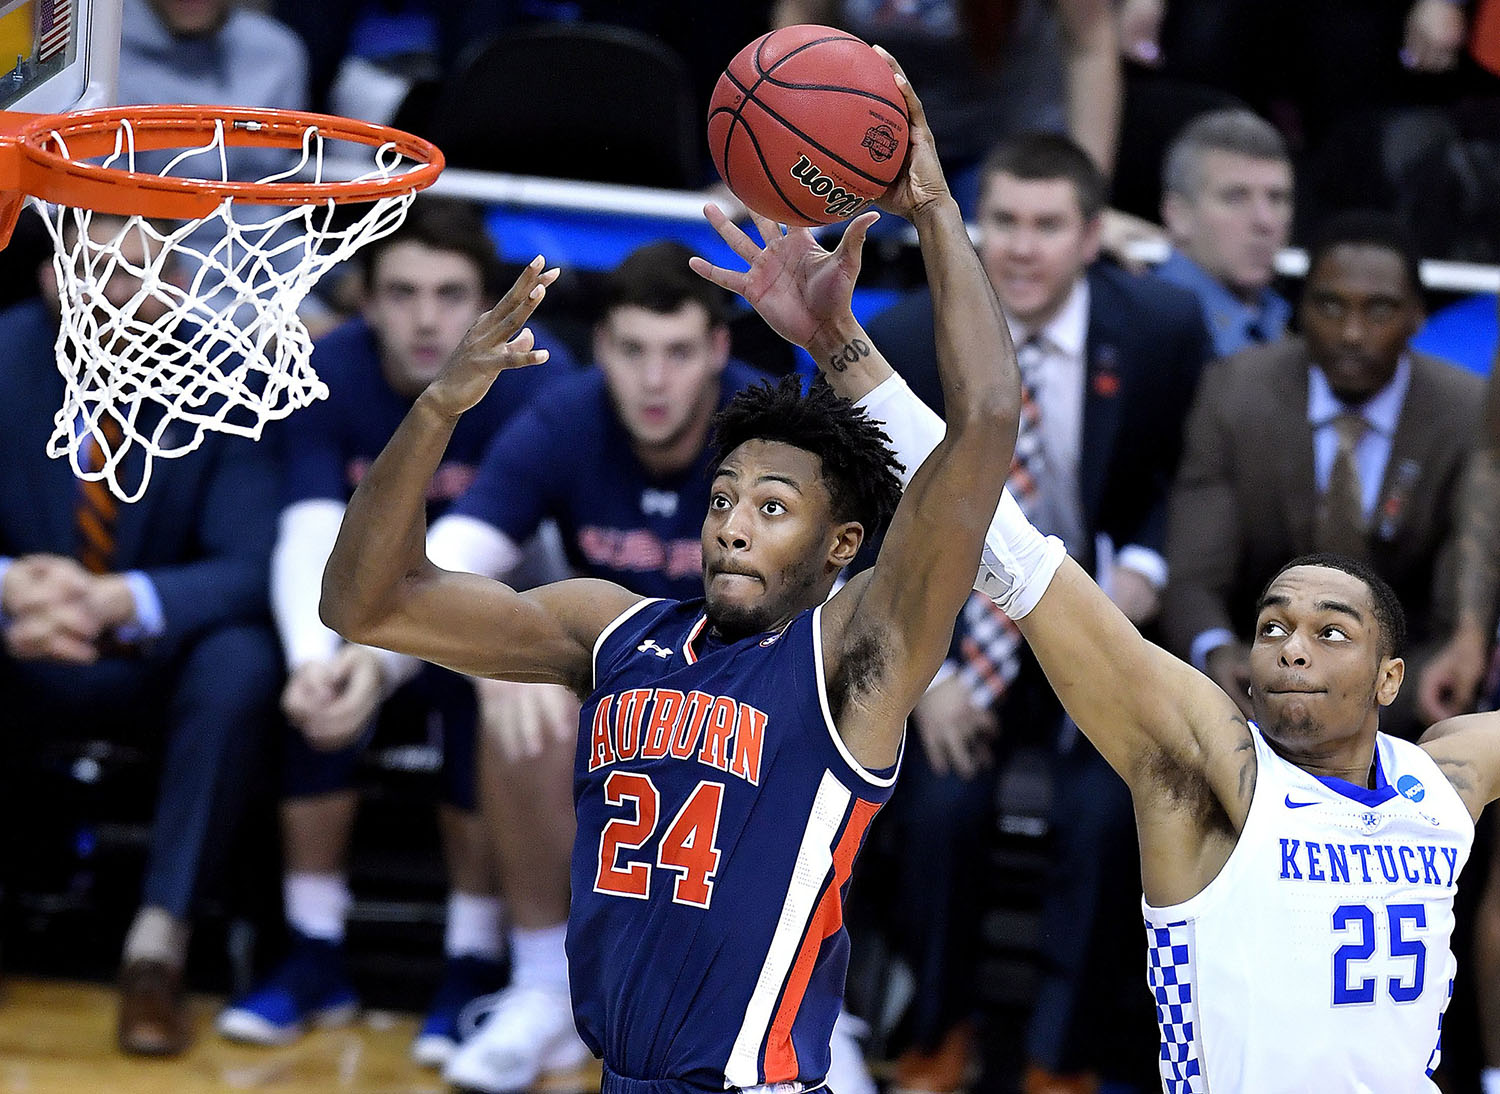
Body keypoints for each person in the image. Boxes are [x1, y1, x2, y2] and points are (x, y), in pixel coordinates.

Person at [320, 55, 1021, 1094]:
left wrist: (928, 208)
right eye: (725, 497)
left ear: (840, 546)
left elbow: (987, 422)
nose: (734, 524)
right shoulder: (615, 630)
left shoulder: (854, 656)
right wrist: (437, 408)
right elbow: (363, 602)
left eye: (773, 508)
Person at [814, 235, 1500, 1094]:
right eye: (1274, 624)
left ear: (1389, 680)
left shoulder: (1449, 781)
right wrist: (838, 344)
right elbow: (1011, 548)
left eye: (1331, 632)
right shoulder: (1208, 780)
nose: (1292, 642)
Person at [862, 130, 1209, 1094]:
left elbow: (1184, 478)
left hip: (1098, 625)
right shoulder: (900, 338)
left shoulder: (1163, 328)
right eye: (1001, 223)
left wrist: (1143, 568)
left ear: (1093, 235)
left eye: (1047, 226)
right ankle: (935, 1038)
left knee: (1111, 815)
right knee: (934, 807)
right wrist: (918, 678)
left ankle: (1063, 1059)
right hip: (953, 635)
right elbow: (862, 522)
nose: (1019, 248)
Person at [213, 198, 574, 1067]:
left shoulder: (539, 379)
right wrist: (319, 663)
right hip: (364, 613)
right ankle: (313, 951)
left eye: (450, 295)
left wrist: (374, 656)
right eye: (402, 292)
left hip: (500, 614)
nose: (426, 317)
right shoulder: (325, 367)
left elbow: (520, 555)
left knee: (476, 681)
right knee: (297, 681)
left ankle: (470, 960)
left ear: (485, 303)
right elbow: (306, 525)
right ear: (366, 300)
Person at [423, 240, 772, 1093]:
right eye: (633, 351)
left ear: (719, 352)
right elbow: (447, 560)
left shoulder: (772, 431)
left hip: (752, 687)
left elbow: (834, 604)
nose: (655, 380)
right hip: (616, 690)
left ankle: (794, 999)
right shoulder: (566, 417)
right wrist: (492, 665)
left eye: (679, 352)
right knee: (518, 693)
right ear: (601, 347)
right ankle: (544, 984)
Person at [0, 213, 280, 1057]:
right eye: (94, 271)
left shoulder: (230, 373)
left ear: (181, 285)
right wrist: (9, 589)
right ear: (51, 277)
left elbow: (253, 563)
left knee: (244, 658)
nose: (115, 296)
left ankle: (157, 946)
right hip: (21, 647)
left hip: (162, 659)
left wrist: (116, 600)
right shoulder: (0, 355)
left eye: (137, 275)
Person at [1163, 210, 1483, 743]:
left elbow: (1455, 619)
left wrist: (1374, 696)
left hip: (1406, 702)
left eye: (1379, 310)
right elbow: (1194, 577)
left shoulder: (1465, 414)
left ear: (1417, 317)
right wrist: (1219, 650)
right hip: (1253, 689)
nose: (1352, 334)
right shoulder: (1235, 394)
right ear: (1300, 310)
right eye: (1330, 307)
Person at [1155, 108, 1295, 359]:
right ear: (1178, 216)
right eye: (1235, 197)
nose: (1265, 221)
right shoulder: (1138, 327)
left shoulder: (1293, 327)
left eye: (1276, 198)